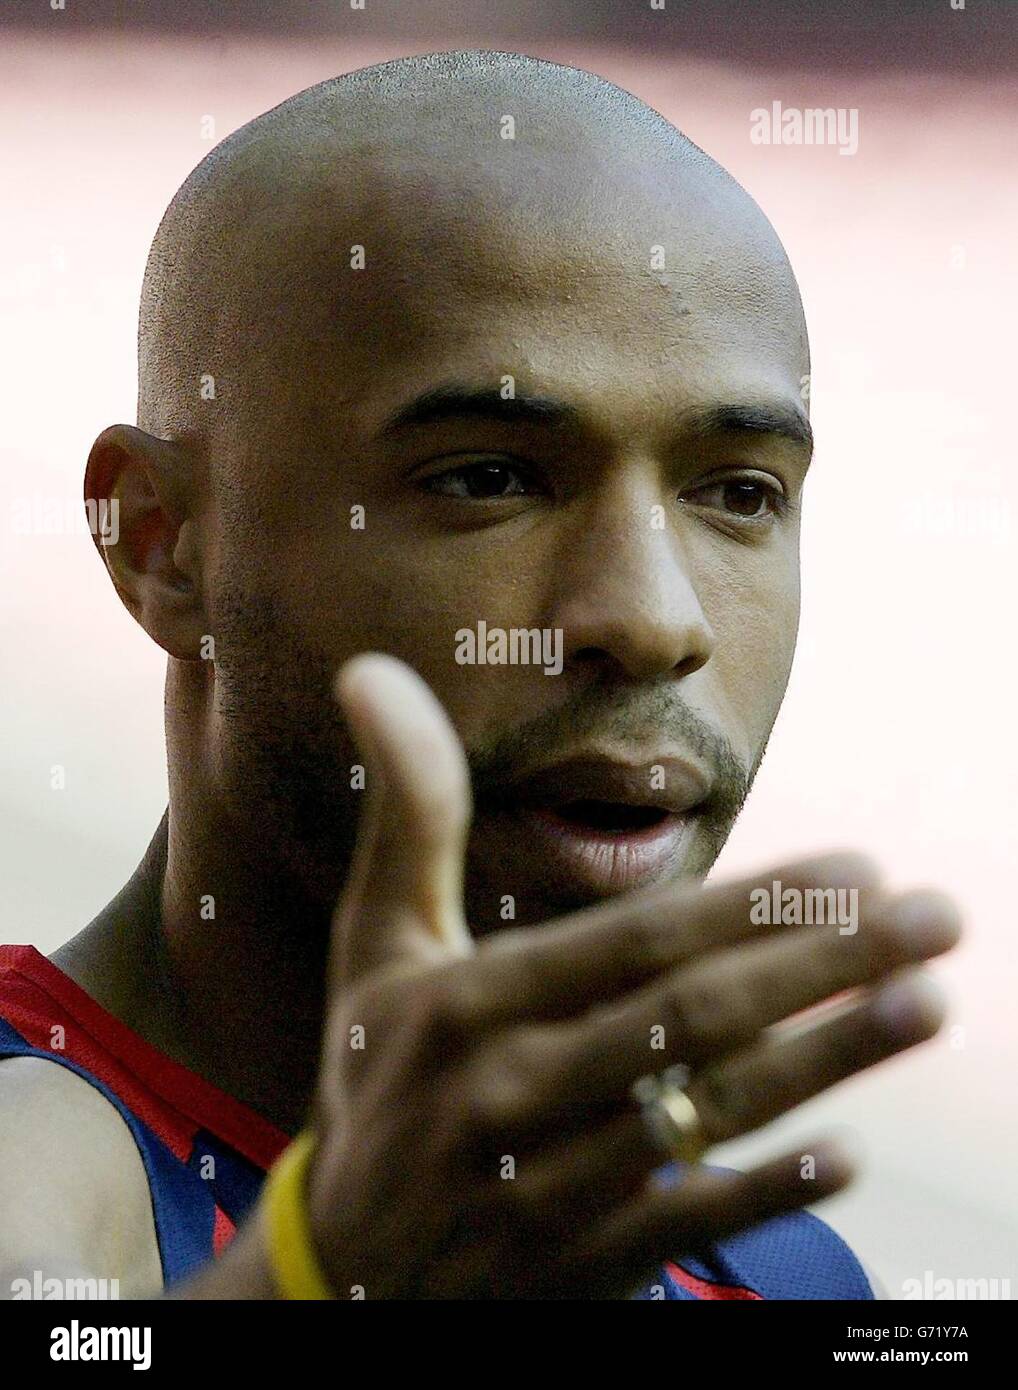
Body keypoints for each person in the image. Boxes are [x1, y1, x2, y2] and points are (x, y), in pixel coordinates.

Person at [0, 49, 961, 1301]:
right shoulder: (47, 1164)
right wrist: (313, 1272)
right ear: (161, 544)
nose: (654, 620)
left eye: (735, 493)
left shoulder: (784, 1275)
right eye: (488, 478)